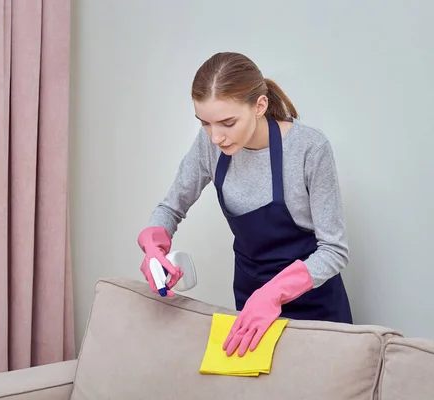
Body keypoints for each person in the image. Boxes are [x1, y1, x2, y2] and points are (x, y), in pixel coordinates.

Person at [136, 52, 352, 357]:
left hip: (316, 305)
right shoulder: (210, 144)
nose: (216, 137)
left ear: (260, 106)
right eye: (205, 123)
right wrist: (154, 244)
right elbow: (171, 208)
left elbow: (334, 251)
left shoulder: (309, 149)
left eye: (228, 123)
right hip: (251, 305)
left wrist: (273, 294)